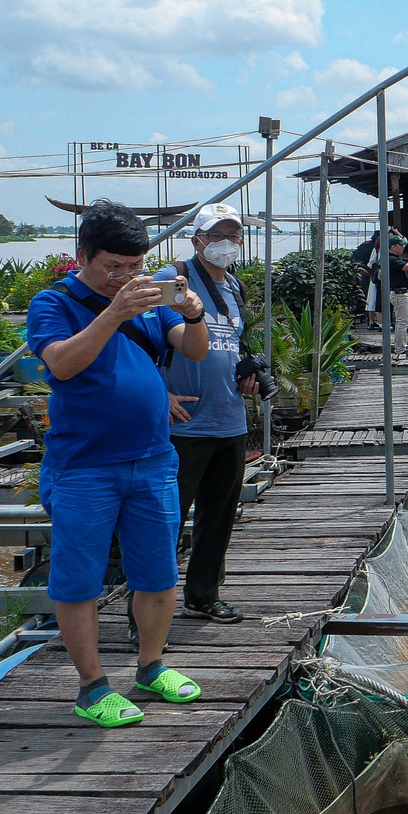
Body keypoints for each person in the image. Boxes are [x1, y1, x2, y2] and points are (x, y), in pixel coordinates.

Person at [26, 199, 207, 728]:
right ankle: (92, 687)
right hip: (84, 466)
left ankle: (150, 667)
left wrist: (193, 313)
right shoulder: (53, 302)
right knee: (78, 580)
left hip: (152, 460)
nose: (125, 277)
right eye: (113, 267)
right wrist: (113, 312)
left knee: (157, 574)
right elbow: (61, 363)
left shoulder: (148, 303)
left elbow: (194, 352)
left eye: (134, 266)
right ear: (84, 256)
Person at [153, 202, 258, 625]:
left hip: (230, 418)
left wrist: (248, 377)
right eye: (218, 235)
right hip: (184, 426)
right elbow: (136, 336)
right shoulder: (171, 279)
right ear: (197, 240)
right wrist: (159, 393)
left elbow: (229, 345)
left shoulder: (235, 287)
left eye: (234, 235)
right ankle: (144, 610)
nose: (228, 243)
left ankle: (203, 595)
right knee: (165, 522)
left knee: (218, 518)